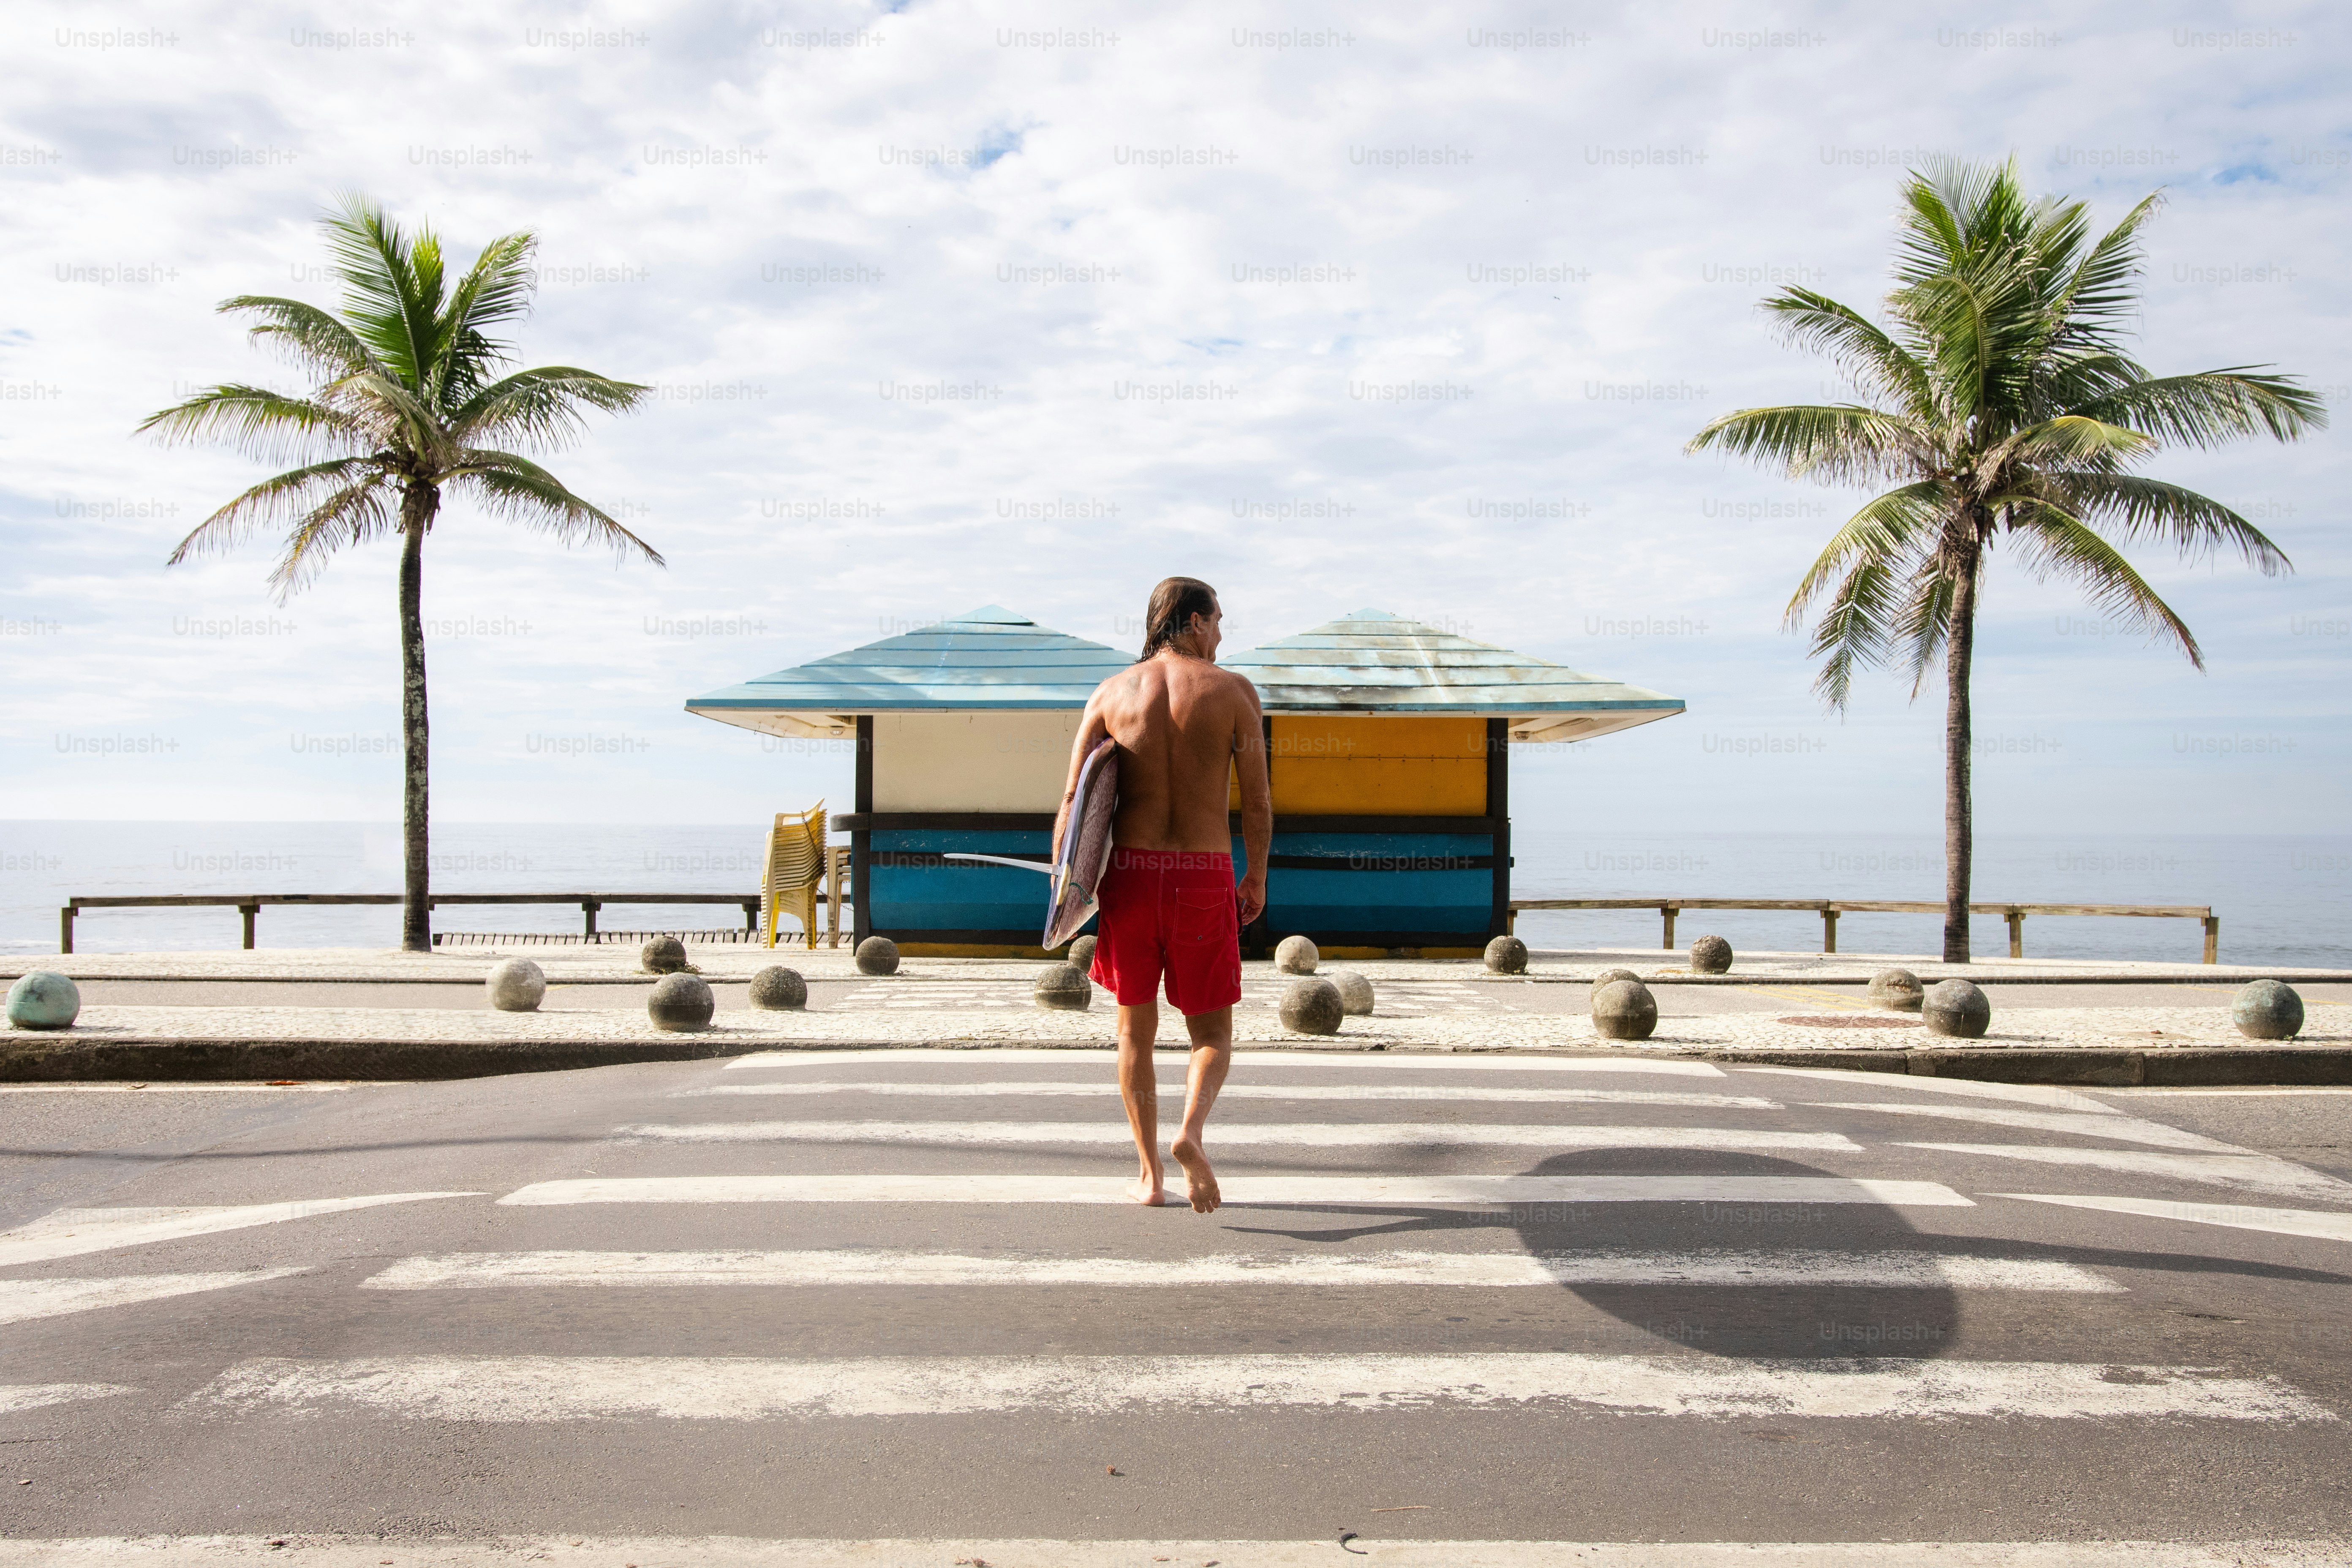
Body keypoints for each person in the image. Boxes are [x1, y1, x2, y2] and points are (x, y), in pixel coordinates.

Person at [1054, 577, 1271, 1212]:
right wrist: (1254, 873)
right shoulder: (1232, 693)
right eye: (1220, 621)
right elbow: (1257, 800)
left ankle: (1149, 1177)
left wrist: (1066, 893)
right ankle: (1191, 1132)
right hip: (1203, 873)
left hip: (1132, 878)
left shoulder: (1110, 694)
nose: (1223, 636)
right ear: (1195, 621)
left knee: (1133, 1035)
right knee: (1212, 1035)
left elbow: (1074, 801)